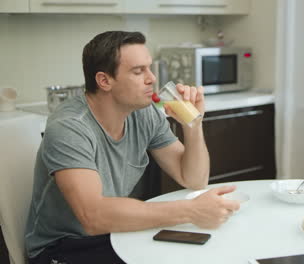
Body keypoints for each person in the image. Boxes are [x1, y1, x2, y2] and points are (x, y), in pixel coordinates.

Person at [25, 31, 240, 263]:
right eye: (138, 71)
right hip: (64, 247)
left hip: (113, 232)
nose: (152, 78)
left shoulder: (144, 114)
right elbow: (93, 216)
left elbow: (193, 179)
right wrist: (191, 211)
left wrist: (193, 123)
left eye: (149, 68)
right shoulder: (70, 128)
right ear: (104, 81)